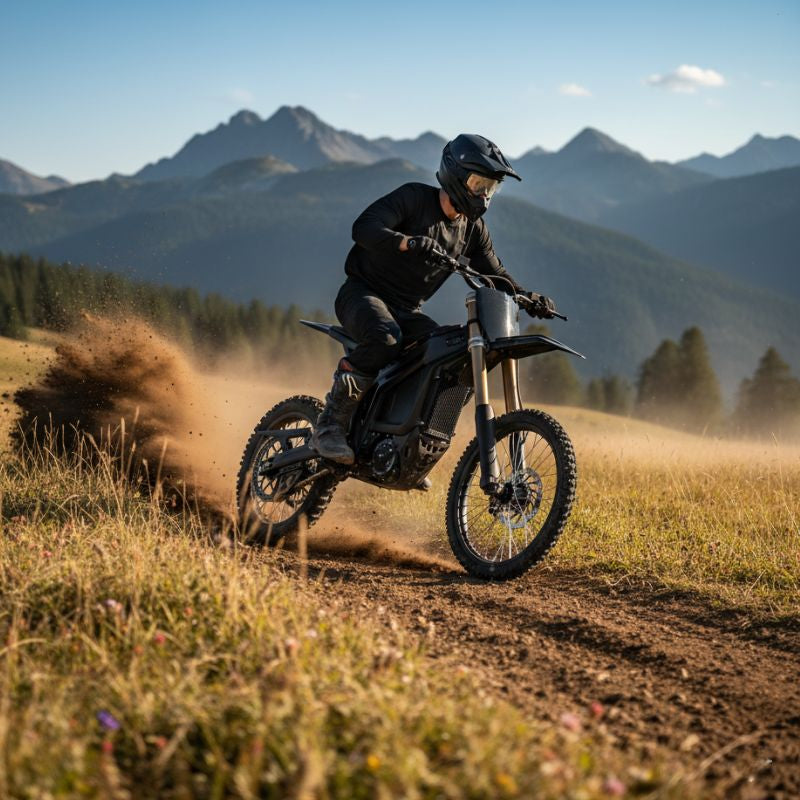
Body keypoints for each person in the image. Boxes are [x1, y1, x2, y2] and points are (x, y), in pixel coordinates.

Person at [310, 133, 556, 465]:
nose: (484, 195)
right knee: (385, 338)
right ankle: (330, 426)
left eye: (491, 188)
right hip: (363, 293)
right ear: (455, 175)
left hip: (408, 311)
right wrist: (406, 243)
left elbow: (496, 274)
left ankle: (400, 443)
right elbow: (363, 228)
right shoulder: (414, 198)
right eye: (479, 184)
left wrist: (527, 297)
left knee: (445, 354)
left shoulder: (473, 229)